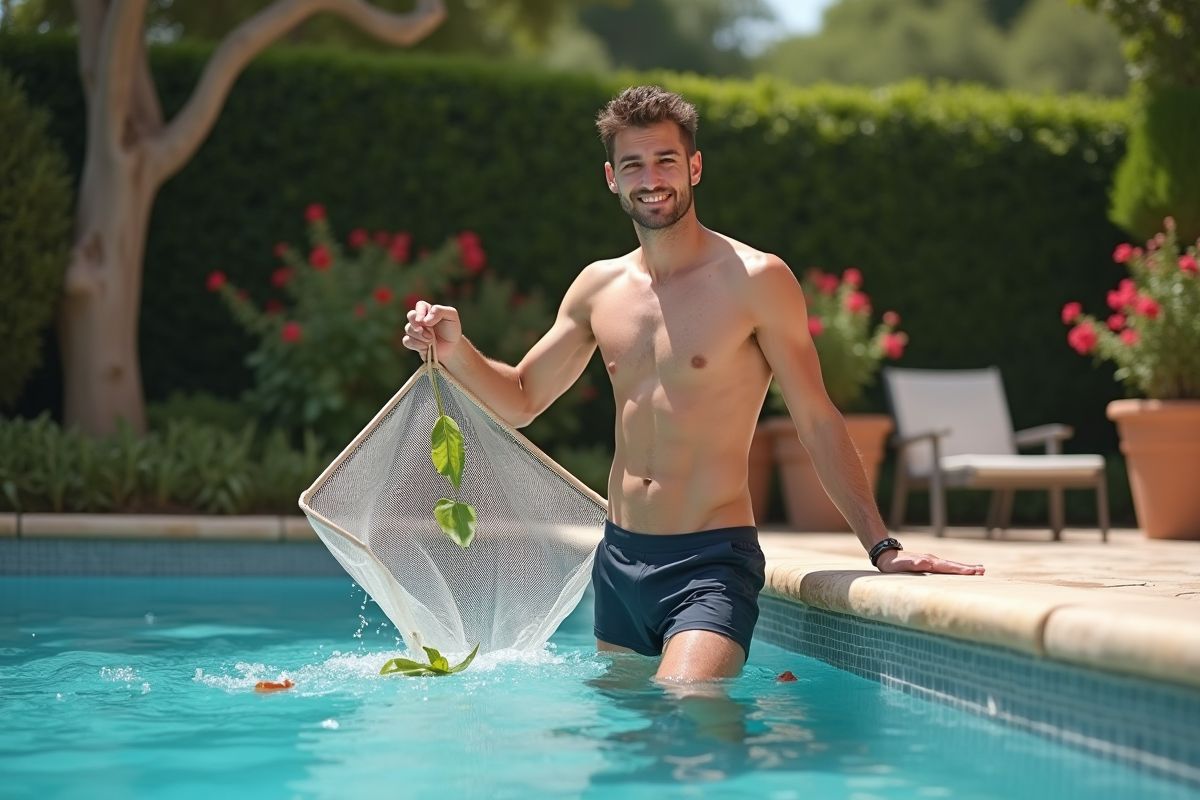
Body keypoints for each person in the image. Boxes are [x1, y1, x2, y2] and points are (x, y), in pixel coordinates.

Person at [403, 85, 984, 683]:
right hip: (620, 560)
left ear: (695, 167)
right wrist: (455, 349)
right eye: (633, 164)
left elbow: (815, 418)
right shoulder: (598, 289)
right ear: (611, 177)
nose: (651, 178)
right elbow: (522, 399)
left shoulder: (756, 279)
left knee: (687, 711)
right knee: (630, 743)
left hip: (711, 561)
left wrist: (881, 548)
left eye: (666, 161)